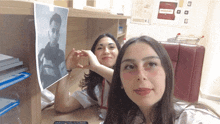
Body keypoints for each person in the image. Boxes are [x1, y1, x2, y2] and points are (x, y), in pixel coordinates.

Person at [104, 36, 220, 124]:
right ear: (120, 81)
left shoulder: (193, 119)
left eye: (151, 64)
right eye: (130, 66)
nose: (141, 75)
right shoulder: (129, 116)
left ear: (167, 73)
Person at [54, 33, 120, 119]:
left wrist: (97, 67)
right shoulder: (98, 88)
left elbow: (124, 81)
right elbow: (62, 106)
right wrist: (66, 69)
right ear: (94, 55)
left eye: (111, 47)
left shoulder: (130, 74)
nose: (106, 51)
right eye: (100, 48)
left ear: (120, 52)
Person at [38, 13, 66, 89]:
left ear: (59, 35)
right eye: (53, 30)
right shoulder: (42, 54)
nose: (55, 35)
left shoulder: (61, 54)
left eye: (57, 32)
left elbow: (63, 77)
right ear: (48, 33)